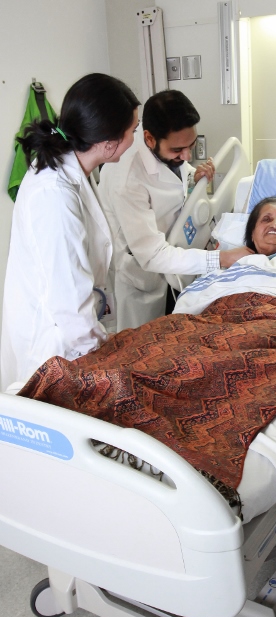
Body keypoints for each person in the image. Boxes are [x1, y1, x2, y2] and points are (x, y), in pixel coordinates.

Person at [0, 73, 140, 393]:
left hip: (71, 333)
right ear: (108, 144)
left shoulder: (73, 170)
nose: (134, 136)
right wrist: (103, 359)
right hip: (53, 348)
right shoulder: (55, 194)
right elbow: (68, 304)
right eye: (132, 130)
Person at [98, 89, 253, 331]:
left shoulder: (166, 152)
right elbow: (152, 255)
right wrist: (220, 259)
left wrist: (195, 181)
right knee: (140, 348)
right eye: (178, 150)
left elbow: (173, 183)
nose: (187, 155)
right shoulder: (127, 179)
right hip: (139, 276)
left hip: (172, 263)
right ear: (149, 138)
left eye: (191, 145)